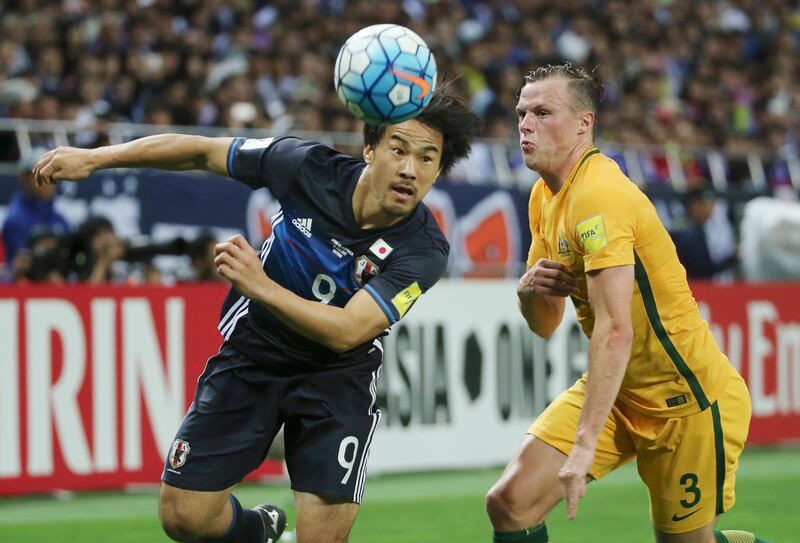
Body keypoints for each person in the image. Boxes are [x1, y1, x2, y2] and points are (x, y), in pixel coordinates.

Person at [33, 88, 481, 543]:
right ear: (370, 148)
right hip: (254, 353)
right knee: (183, 516)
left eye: (428, 159)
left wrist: (259, 286)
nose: (410, 169)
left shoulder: (424, 248)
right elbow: (202, 152)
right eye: (398, 149)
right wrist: (96, 158)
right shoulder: (306, 167)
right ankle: (257, 530)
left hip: (336, 378)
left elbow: (347, 331)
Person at [484, 63, 772, 543]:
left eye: (541, 112)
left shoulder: (599, 195)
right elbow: (544, 323)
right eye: (521, 113)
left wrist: (583, 447)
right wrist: (527, 290)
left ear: (584, 123)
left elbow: (617, 330)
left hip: (686, 401)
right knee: (510, 503)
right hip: (617, 388)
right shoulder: (543, 197)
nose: (525, 125)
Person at [2, 149, 70, 266]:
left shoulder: (59, 218)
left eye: (52, 173)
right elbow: (21, 264)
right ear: (24, 178)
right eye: (41, 173)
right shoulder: (15, 219)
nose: (48, 180)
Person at [669, 185, 738, 280]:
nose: (711, 208)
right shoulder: (686, 233)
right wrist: (732, 258)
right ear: (694, 206)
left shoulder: (696, 228)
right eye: (706, 204)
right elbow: (703, 271)